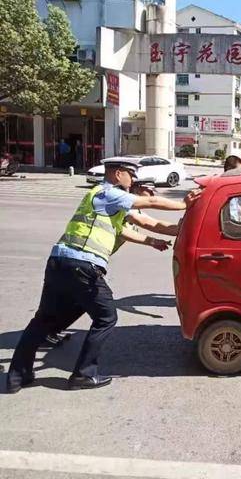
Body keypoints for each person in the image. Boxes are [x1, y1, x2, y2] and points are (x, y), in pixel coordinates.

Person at [6, 158, 201, 393]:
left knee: (45, 319)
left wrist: (160, 237)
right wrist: (183, 204)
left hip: (60, 262)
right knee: (106, 317)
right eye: (131, 174)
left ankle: (18, 375)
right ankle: (83, 375)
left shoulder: (109, 203)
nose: (133, 180)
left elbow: (146, 223)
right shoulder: (108, 193)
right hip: (82, 265)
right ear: (118, 174)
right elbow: (149, 202)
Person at [42, 183, 179, 347]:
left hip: (85, 262)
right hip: (81, 260)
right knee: (93, 308)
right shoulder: (121, 202)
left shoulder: (124, 206)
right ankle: (49, 336)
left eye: (151, 192)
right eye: (147, 191)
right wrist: (185, 220)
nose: (150, 194)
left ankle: (49, 331)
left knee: (78, 301)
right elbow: (150, 223)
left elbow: (122, 231)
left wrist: (151, 241)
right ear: (136, 190)